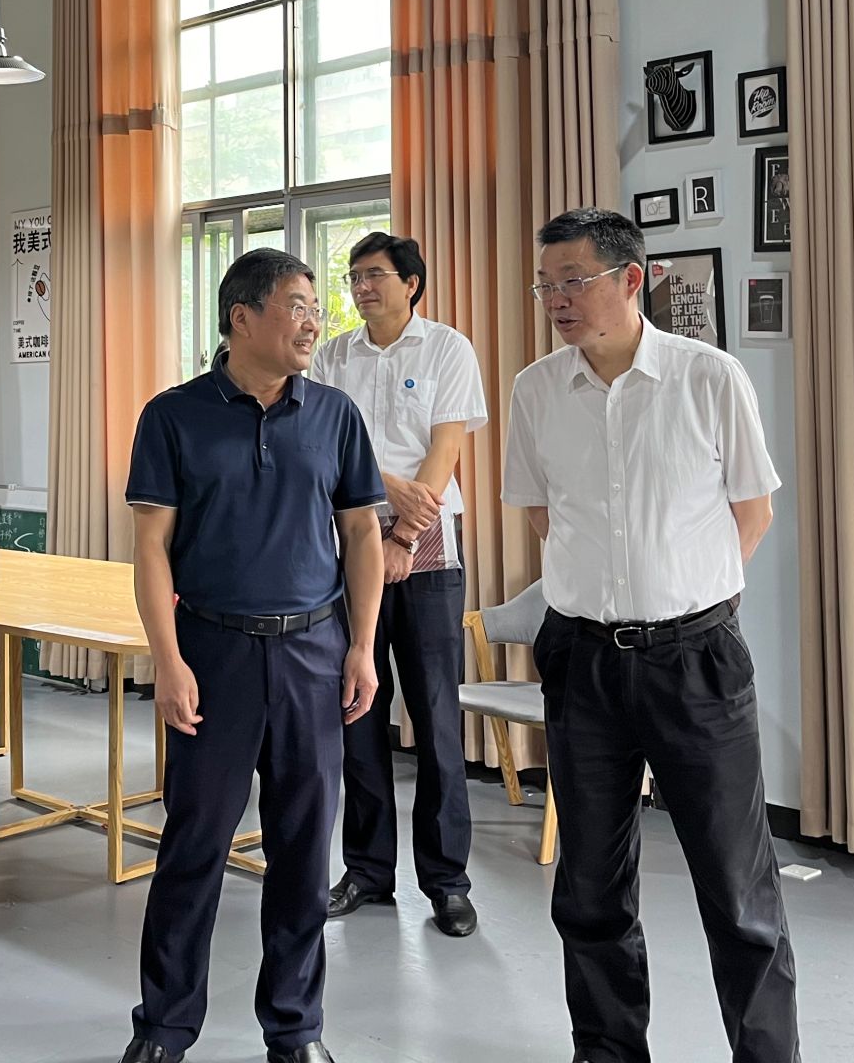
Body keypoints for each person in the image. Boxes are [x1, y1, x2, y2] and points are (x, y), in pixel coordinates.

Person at [502, 208, 798, 1063]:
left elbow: (752, 513)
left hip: (695, 659)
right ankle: (607, 1052)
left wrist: (680, 595)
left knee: (737, 890)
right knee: (590, 887)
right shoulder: (535, 390)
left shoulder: (709, 378)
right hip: (582, 659)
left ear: (632, 279)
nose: (556, 300)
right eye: (545, 285)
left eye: (573, 281)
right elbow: (544, 516)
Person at [120, 248, 385, 1063]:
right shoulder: (173, 416)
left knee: (303, 853)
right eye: (297, 306)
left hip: (314, 651)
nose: (314, 322)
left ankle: (296, 1030)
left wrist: (363, 646)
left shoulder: (335, 414)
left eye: (315, 309)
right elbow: (152, 547)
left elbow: (361, 534)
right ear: (242, 317)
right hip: (214, 652)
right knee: (193, 846)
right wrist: (168, 659)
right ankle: (164, 1028)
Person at [313, 232, 490, 937]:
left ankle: (447, 882)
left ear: (411, 282)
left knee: (437, 718)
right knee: (358, 711)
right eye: (354, 277)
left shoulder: (447, 348)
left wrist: (403, 539)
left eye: (375, 275)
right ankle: (367, 870)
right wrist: (381, 487)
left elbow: (445, 450)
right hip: (349, 537)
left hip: (427, 545)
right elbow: (327, 446)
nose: (362, 287)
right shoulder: (333, 356)